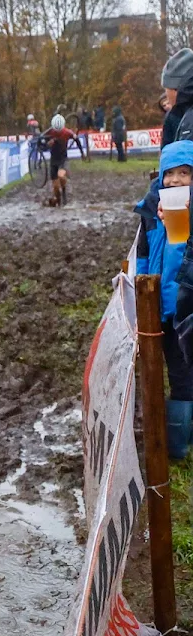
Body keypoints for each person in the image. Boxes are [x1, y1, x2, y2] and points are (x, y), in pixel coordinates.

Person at [140, 141, 193, 457]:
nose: (175, 180)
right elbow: (144, 254)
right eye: (169, 174)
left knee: (186, 374)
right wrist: (140, 293)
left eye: (184, 173)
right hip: (162, 309)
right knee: (178, 373)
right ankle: (177, 447)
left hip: (188, 307)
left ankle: (178, 447)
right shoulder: (151, 208)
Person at [39, 115, 85, 206]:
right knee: (55, 187)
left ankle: (64, 193)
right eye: (56, 131)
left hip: (63, 160)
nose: (57, 132)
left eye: (59, 131)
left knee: (61, 175)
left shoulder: (67, 132)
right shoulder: (49, 132)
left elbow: (77, 140)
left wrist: (82, 153)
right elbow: (41, 146)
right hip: (53, 161)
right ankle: (58, 201)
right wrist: (48, 144)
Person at [161, 48, 193, 148]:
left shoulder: (189, 118)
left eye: (166, 89)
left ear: (175, 89)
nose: (166, 96)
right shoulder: (174, 114)